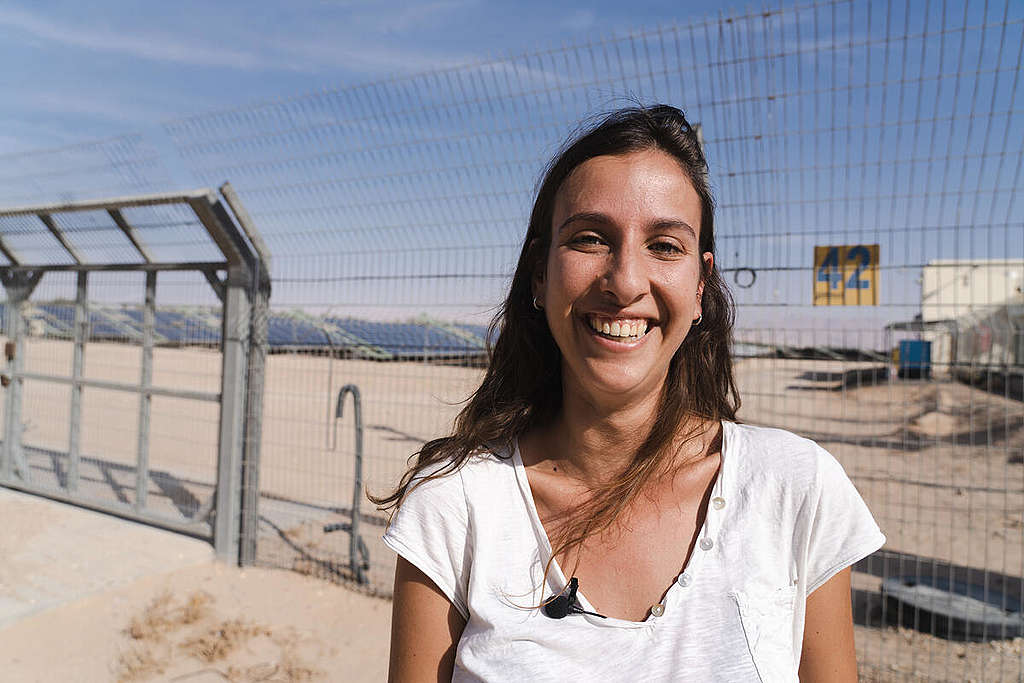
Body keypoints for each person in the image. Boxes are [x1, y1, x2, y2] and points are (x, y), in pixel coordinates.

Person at [374, 105, 885, 682]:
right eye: (591, 239)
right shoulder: (454, 505)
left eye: (664, 246)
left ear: (700, 287)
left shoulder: (795, 489)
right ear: (539, 275)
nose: (624, 282)